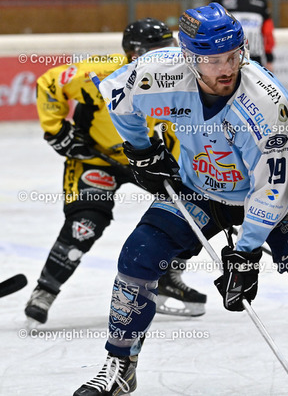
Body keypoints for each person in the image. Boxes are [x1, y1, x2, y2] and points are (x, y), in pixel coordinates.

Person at [73, 3, 288, 396]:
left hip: (280, 198)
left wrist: (245, 253)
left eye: (233, 56)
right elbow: (120, 100)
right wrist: (141, 149)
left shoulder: (266, 103)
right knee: (138, 256)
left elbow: (272, 190)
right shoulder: (158, 71)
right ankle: (120, 365)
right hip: (201, 187)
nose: (227, 68)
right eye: (214, 60)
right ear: (189, 57)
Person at [25, 18, 207, 325]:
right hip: (96, 159)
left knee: (189, 210)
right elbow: (49, 83)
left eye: (169, 49)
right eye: (156, 51)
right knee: (86, 223)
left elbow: (183, 128)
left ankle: (167, 276)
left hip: (147, 160)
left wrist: (181, 169)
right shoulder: (99, 74)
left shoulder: (179, 78)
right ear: (134, 54)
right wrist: (57, 131)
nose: (166, 57)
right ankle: (45, 289)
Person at [212, 0, 275, 71]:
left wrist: (269, 59)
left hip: (255, 56)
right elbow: (213, 28)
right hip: (228, 56)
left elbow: (267, 31)